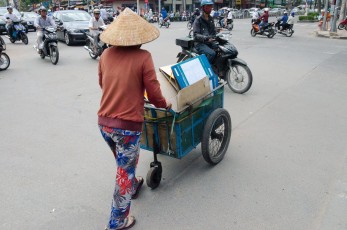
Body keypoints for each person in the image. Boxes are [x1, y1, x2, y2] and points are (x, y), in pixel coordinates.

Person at [98, 7, 171, 230]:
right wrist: (164, 105)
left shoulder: (105, 54)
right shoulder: (143, 57)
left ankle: (133, 182)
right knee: (124, 170)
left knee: (123, 163)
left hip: (104, 124)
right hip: (127, 128)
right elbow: (155, 92)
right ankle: (117, 222)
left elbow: (103, 84)